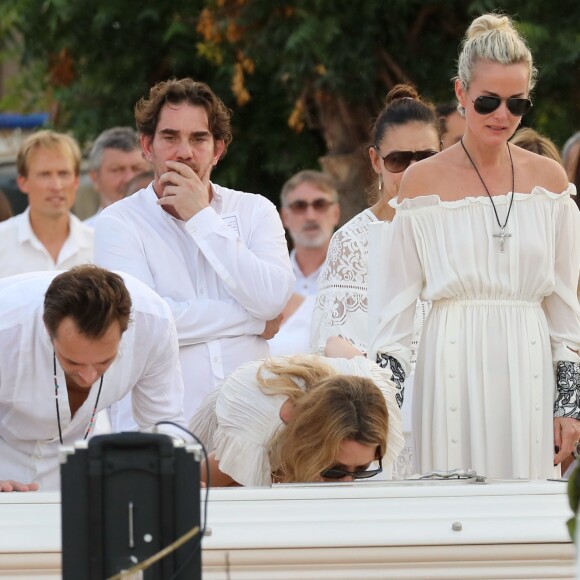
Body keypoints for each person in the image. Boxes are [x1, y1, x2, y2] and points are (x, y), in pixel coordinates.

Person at [370, 13, 580, 480]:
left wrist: (570, 404)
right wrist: (384, 411)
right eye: (487, 101)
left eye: (516, 104)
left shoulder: (550, 183)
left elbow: (565, 310)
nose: (502, 115)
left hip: (529, 367)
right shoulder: (420, 182)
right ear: (461, 93)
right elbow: (395, 318)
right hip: (449, 365)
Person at [94, 78, 294, 420]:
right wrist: (254, 321)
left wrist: (201, 217)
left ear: (217, 149)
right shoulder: (119, 222)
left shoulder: (255, 210)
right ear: (147, 146)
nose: (184, 151)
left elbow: (273, 299)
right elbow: (142, 321)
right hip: (163, 423)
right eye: (170, 137)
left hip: (252, 422)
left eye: (198, 138)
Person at [310, 85, 441, 479]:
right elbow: (333, 345)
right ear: (376, 161)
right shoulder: (351, 241)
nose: (414, 171)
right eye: (400, 160)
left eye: (427, 158)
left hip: (449, 413)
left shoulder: (460, 234)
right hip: (380, 426)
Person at [0, 265, 187, 492]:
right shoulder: (6, 326)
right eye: (73, 362)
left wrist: (172, 472)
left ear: (125, 330)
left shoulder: (154, 324)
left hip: (78, 468)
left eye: (103, 362)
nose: (88, 377)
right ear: (48, 330)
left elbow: (164, 421)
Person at [190, 337, 403, 486]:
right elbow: (187, 486)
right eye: (335, 469)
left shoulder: (371, 397)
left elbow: (334, 342)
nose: (348, 484)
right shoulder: (259, 435)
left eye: (362, 469)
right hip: (239, 419)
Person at [0, 130, 93, 277]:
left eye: (63, 174)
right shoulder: (2, 241)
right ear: (23, 182)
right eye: (45, 174)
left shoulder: (98, 244)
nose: (56, 186)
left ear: (76, 181)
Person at [268, 170, 340, 356]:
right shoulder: (269, 276)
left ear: (336, 213)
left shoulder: (357, 276)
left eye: (320, 205)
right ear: (285, 217)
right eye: (299, 206)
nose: (310, 216)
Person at [84, 127, 151, 226]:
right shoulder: (84, 238)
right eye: (117, 170)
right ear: (95, 179)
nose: (129, 178)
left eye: (137, 169)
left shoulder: (173, 232)